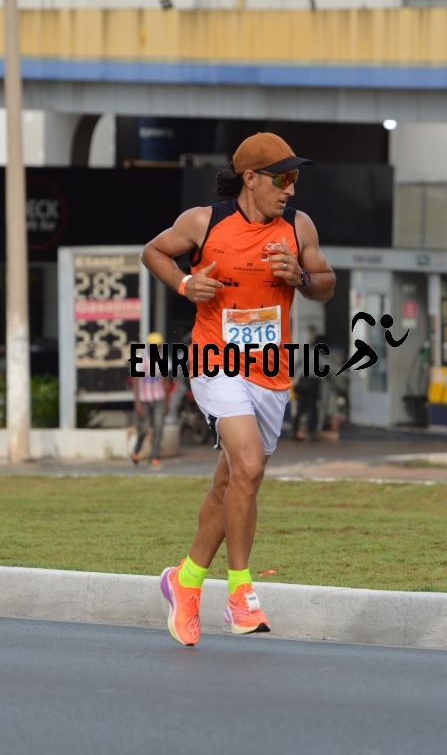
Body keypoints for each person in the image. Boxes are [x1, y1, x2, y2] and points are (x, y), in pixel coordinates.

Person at [142, 132, 335, 646]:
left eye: (295, 178)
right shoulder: (203, 223)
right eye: (283, 178)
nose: (291, 189)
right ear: (251, 178)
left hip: (271, 374)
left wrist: (300, 277)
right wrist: (184, 284)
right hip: (215, 362)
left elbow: (327, 283)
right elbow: (153, 251)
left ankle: (184, 582)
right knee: (248, 465)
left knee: (232, 483)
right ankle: (240, 593)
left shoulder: (298, 227)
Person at [131, 332, 170, 470]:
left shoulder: (163, 359)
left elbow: (166, 381)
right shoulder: (141, 359)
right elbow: (135, 381)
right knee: (143, 428)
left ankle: (154, 457)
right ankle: (136, 451)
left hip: (158, 398)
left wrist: (167, 402)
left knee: (158, 428)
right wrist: (137, 403)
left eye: (158, 346)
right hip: (144, 399)